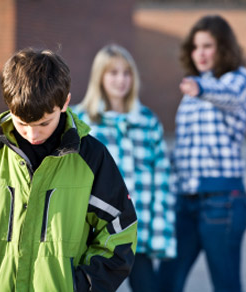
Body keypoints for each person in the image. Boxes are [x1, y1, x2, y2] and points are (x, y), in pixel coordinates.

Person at [0, 48, 138, 292]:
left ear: (64, 102)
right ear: (9, 106)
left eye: (44, 123)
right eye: (22, 123)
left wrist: (81, 286)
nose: (33, 134)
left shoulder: (92, 158)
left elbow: (120, 233)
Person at [158, 15, 246, 292]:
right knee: (166, 282)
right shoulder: (194, 88)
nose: (200, 53)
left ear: (223, 47)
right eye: (196, 47)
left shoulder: (239, 80)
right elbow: (186, 147)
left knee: (226, 285)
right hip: (185, 199)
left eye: (208, 46)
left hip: (223, 201)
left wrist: (202, 88)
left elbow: (228, 95)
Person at [73, 44, 176, 292]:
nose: (121, 80)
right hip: (96, 234)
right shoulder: (80, 121)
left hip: (136, 231)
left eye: (126, 72)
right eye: (113, 73)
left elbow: (162, 180)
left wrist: (160, 234)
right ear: (100, 77)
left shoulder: (148, 121)